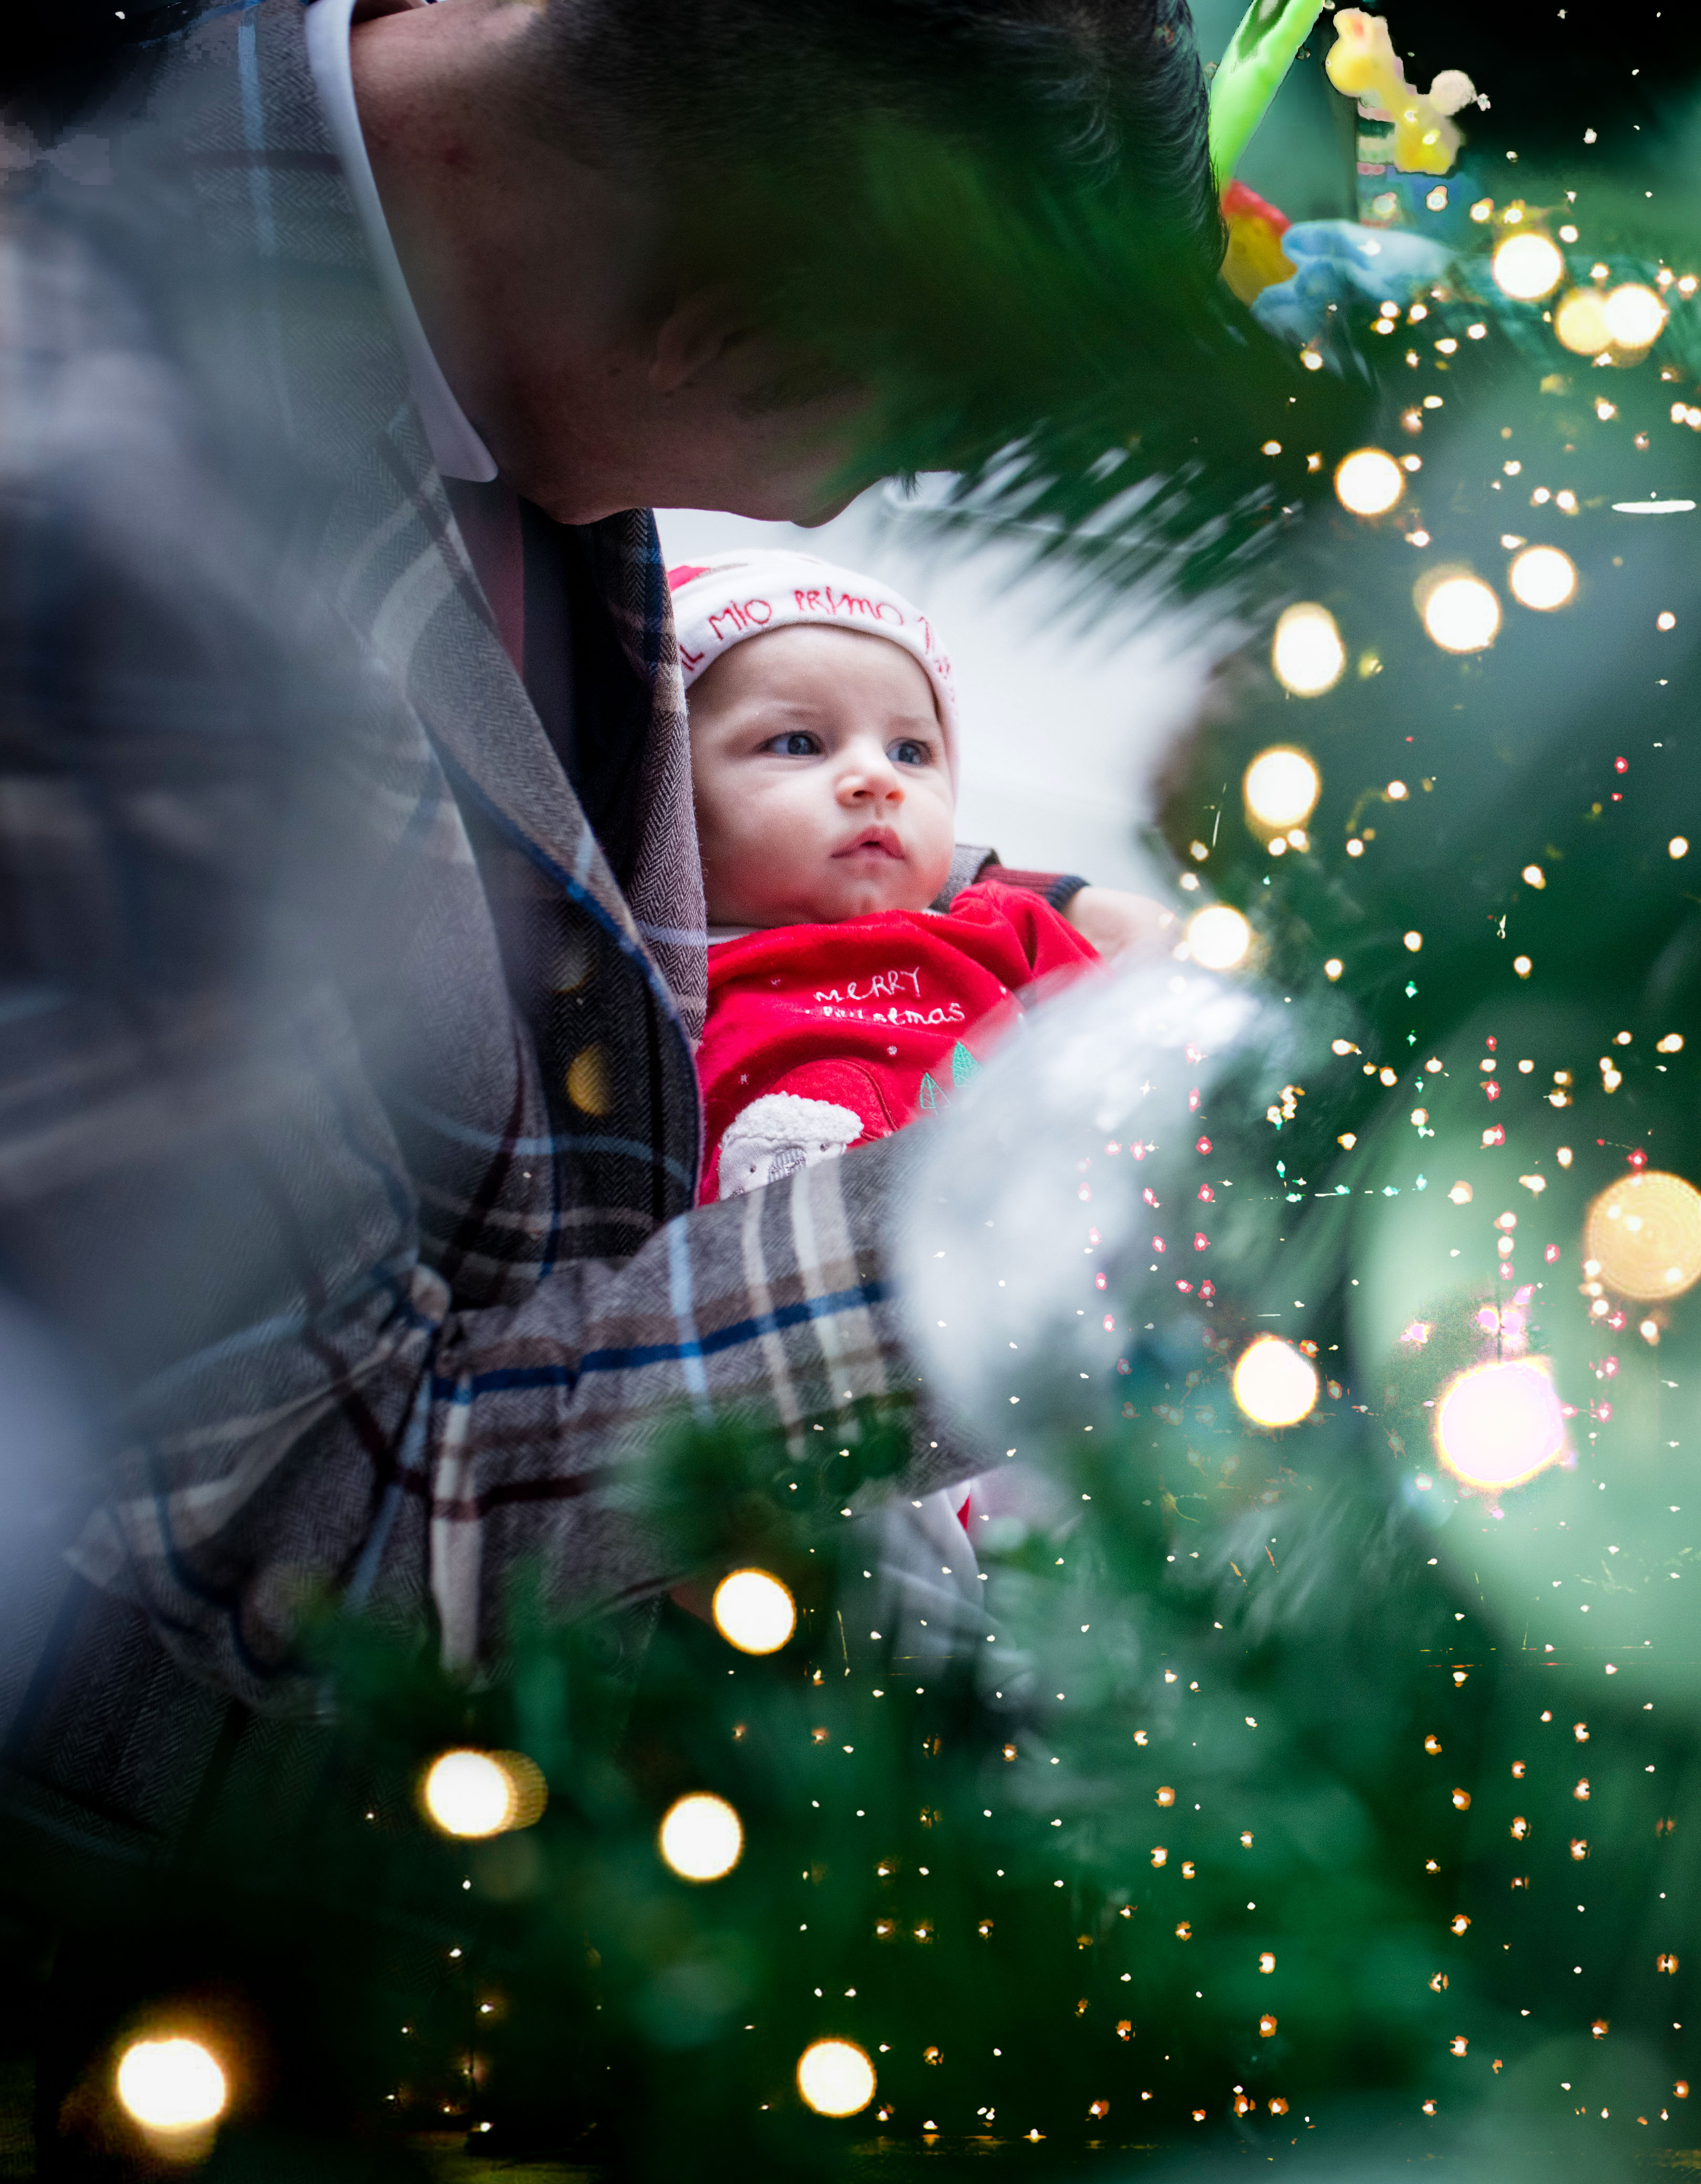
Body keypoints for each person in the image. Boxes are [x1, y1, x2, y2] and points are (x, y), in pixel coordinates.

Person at [0, 0, 1234, 1861]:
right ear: (744, 343)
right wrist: (1046, 1189)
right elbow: (319, 1536)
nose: (889, 490)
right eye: (943, 426)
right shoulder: (83, 520)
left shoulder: (482, 312)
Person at [672, 550, 1107, 1200]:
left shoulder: (1010, 931)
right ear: (670, 791)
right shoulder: (661, 994)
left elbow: (1138, 1058)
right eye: (799, 743)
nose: (878, 779)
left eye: (911, 752)